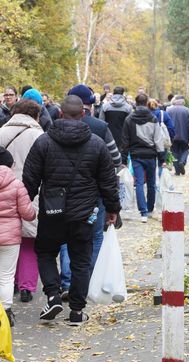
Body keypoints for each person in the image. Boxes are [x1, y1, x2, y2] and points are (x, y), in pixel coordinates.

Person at [22, 96, 120, 325]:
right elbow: (108, 181)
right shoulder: (96, 144)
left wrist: (25, 206)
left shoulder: (44, 142)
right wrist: (112, 209)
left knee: (46, 252)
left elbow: (30, 180)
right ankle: (76, 311)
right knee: (81, 261)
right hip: (84, 212)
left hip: (52, 211)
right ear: (84, 114)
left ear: (60, 113)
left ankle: (54, 294)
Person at [59, 84, 122, 300]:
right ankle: (89, 279)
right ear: (90, 105)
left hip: (63, 193)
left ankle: (67, 280)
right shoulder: (100, 127)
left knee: (66, 237)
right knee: (94, 236)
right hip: (94, 194)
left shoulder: (55, 128)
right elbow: (116, 159)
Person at [0, 99, 44, 303]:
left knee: (6, 239)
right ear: (35, 115)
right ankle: (27, 287)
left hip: (1, 191)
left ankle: (8, 283)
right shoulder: (38, 135)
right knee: (29, 242)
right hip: (31, 191)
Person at [0, 145, 36, 327]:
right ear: (9, 164)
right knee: (7, 275)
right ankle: (6, 312)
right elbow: (28, 213)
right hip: (10, 237)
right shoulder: (16, 184)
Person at [119, 93, 165, 222]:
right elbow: (158, 139)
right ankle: (150, 210)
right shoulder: (153, 118)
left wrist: (123, 160)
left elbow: (125, 141)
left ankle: (143, 212)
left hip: (136, 155)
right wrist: (162, 158)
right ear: (146, 103)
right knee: (151, 183)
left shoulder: (129, 119)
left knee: (139, 183)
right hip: (151, 155)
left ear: (135, 102)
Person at [166, 95, 189, 175]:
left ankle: (177, 170)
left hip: (172, 136)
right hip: (184, 136)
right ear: (183, 103)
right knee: (185, 150)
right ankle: (182, 161)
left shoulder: (169, 111)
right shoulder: (188, 111)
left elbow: (166, 124)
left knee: (174, 152)